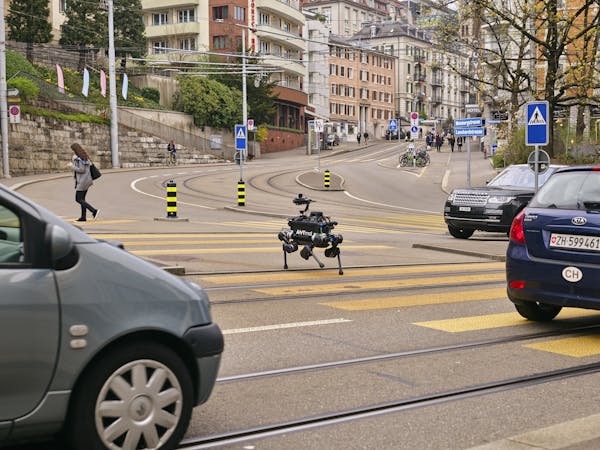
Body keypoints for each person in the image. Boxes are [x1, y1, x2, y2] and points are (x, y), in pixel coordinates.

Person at [69, 143, 99, 222]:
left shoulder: (78, 158)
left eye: (72, 150)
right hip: (87, 180)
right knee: (82, 199)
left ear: (75, 150)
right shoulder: (84, 157)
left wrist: (71, 166)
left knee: (78, 199)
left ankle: (94, 211)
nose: (72, 152)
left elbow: (81, 170)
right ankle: (83, 217)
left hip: (83, 181)